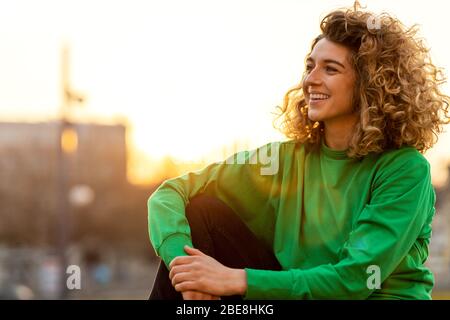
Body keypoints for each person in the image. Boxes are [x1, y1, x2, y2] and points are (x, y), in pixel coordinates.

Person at [147, 2, 450, 300]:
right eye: (310, 66)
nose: (311, 79)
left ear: (371, 84)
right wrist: (184, 269)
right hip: (296, 296)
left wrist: (234, 280)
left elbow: (355, 280)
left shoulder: (404, 169)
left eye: (330, 69)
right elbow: (171, 192)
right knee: (202, 210)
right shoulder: (281, 161)